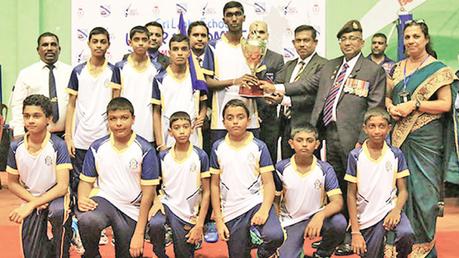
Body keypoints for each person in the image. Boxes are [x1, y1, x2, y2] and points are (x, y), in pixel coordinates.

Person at [261, 19, 386, 255]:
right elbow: (306, 84)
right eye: (343, 38)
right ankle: (337, 234)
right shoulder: (331, 66)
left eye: (352, 38)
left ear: (361, 42)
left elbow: (375, 106)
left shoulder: (372, 70)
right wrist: (275, 88)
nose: (347, 42)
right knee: (336, 183)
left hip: (354, 139)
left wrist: (363, 140)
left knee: (355, 185)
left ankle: (354, 233)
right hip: (327, 133)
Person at [386, 20, 457, 257]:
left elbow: (446, 104)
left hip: (426, 140)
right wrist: (391, 107)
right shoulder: (396, 68)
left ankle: (423, 246)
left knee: (424, 194)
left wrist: (414, 105)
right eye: (407, 37)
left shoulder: (438, 70)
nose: (411, 41)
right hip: (399, 138)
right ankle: (398, 243)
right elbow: (386, 96)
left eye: (416, 36)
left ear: (426, 39)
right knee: (399, 189)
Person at [76, 97, 159, 257]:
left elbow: (148, 195)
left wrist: (140, 233)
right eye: (113, 119)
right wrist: (81, 197)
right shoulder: (97, 147)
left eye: (124, 118)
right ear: (107, 121)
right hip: (105, 201)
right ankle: (91, 254)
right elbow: (85, 182)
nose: (118, 123)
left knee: (129, 253)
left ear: (133, 119)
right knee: (87, 220)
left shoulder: (146, 149)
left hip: (132, 208)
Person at [210, 99, 284, 257]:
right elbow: (214, 185)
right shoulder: (218, 148)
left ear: (248, 120)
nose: (235, 122)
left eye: (240, 117)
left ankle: (264, 254)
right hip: (231, 210)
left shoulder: (259, 146)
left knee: (275, 235)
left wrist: (264, 210)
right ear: (223, 122)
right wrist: (218, 219)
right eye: (230, 118)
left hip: (255, 203)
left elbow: (269, 183)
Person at [7, 94, 72, 258]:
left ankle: (63, 248)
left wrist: (33, 204)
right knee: (33, 254)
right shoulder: (16, 147)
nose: (30, 120)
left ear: (48, 119)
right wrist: (32, 201)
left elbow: (63, 186)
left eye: (36, 116)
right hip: (31, 196)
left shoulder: (58, 145)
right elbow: (12, 183)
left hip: (55, 197)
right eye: (27, 116)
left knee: (59, 213)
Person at [346, 107, 414, 257]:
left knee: (406, 234)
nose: (377, 131)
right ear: (365, 129)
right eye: (372, 126)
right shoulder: (355, 156)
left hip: (389, 210)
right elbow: (351, 194)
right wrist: (355, 232)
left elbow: (403, 190)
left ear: (389, 128)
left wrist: (396, 210)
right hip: (366, 216)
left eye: (381, 126)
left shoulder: (396, 154)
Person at [273, 125, 346, 258]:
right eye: (299, 140)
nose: (304, 144)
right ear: (291, 143)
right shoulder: (281, 168)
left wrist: (320, 215)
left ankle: (322, 254)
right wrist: (276, 229)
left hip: (317, 218)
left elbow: (338, 202)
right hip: (291, 221)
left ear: (317, 144)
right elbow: (275, 201)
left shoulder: (325, 169)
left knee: (339, 223)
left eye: (309, 140)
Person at [65, 26, 121, 194]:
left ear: (108, 45)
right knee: (79, 182)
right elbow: (71, 105)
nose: (98, 45)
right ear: (88, 43)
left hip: (104, 138)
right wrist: (68, 137)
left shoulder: (114, 71)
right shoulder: (78, 71)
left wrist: (115, 135)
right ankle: (77, 217)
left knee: (104, 181)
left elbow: (116, 105)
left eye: (103, 42)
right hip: (81, 138)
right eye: (95, 41)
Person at [148, 111, 211, 258]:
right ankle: (159, 253)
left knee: (184, 253)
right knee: (155, 224)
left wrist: (200, 224)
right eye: (177, 127)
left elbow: (207, 192)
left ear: (192, 128)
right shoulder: (163, 156)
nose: (181, 131)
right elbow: (153, 185)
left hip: (188, 212)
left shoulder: (200, 156)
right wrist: (157, 200)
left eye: (185, 126)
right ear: (170, 132)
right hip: (166, 204)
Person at [202, 1, 261, 145]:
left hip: (250, 118)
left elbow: (259, 80)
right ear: (224, 20)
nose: (234, 18)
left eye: (237, 14)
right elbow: (207, 82)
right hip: (221, 120)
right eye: (229, 15)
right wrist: (235, 81)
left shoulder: (253, 45)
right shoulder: (213, 46)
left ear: (244, 17)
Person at [266, 25, 327, 159]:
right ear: (293, 43)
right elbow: (277, 85)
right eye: (298, 41)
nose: (302, 44)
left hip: (308, 128)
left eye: (306, 40)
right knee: (287, 167)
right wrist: (269, 94)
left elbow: (314, 96)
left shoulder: (324, 65)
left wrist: (284, 100)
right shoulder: (289, 65)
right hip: (286, 126)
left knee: (309, 170)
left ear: (315, 43)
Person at [10, 32, 72, 139]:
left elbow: (75, 105)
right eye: (45, 45)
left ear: (59, 49)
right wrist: (19, 132)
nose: (49, 48)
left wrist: (70, 135)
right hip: (35, 136)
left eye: (53, 44)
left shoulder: (71, 72)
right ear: (38, 50)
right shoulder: (26, 74)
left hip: (65, 136)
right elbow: (18, 105)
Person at [152, 34, 207, 150]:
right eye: (175, 49)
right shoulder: (160, 79)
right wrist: (160, 143)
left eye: (184, 49)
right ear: (169, 52)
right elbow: (156, 112)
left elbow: (203, 103)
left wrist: (202, 116)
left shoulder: (196, 77)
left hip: (193, 134)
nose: (180, 53)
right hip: (168, 136)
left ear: (189, 52)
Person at [116, 25, 161, 145]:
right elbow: (114, 99)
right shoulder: (120, 67)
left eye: (144, 40)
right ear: (130, 42)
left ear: (149, 42)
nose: (140, 43)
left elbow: (158, 105)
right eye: (136, 39)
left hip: (149, 130)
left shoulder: (157, 69)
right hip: (124, 129)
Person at [248, 20, 284, 162]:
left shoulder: (277, 59)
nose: (257, 35)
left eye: (261, 32)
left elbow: (277, 88)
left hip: (269, 119)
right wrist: (251, 112)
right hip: (246, 117)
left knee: (268, 161)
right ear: (248, 35)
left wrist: (261, 111)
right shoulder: (242, 57)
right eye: (253, 32)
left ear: (267, 36)